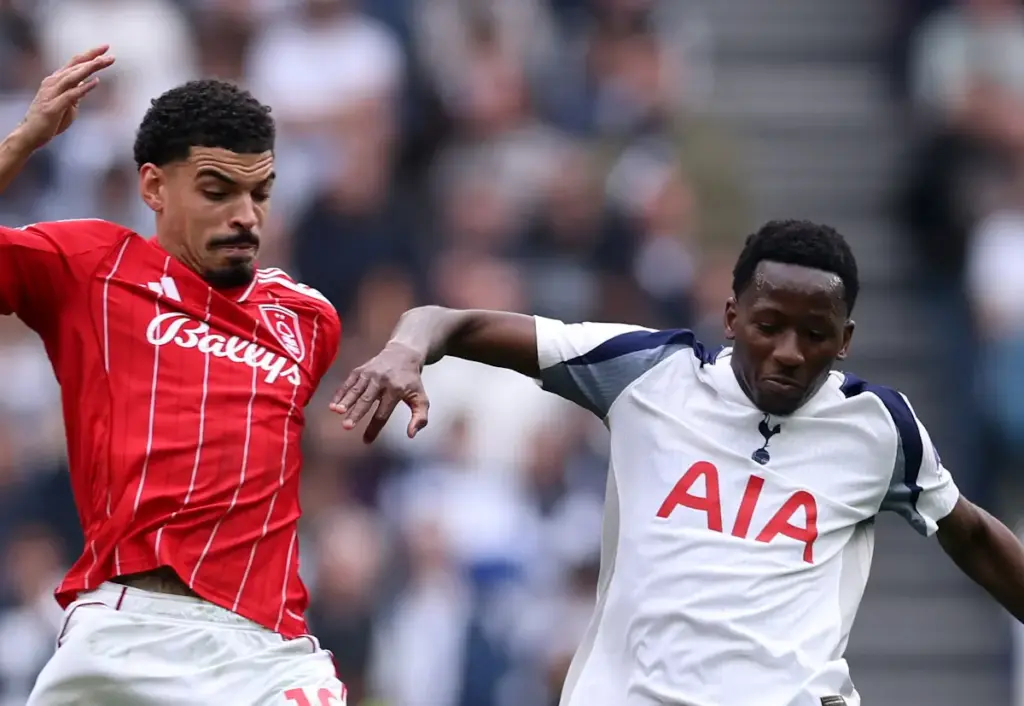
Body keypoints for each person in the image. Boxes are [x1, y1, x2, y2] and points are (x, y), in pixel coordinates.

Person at [335, 219, 1024, 706]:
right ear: (731, 317)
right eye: (768, 325)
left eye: (814, 335)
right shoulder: (646, 374)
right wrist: (407, 347)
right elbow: (452, 320)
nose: (788, 350)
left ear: (844, 341)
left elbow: (968, 531)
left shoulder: (880, 427)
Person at [1, 48, 346, 704]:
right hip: (125, 635)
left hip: (268, 653)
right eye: (218, 191)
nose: (245, 214)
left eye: (259, 192)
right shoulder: (90, 268)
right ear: (155, 188)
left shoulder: (309, 319)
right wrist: (24, 140)